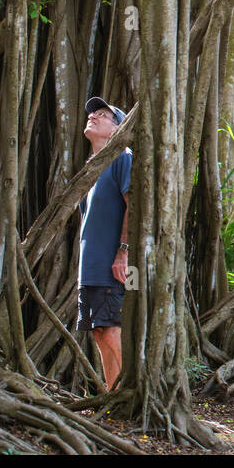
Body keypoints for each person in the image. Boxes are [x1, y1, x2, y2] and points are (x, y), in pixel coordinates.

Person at [77, 96, 131, 390]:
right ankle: (113, 397)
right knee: (99, 333)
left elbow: (133, 207)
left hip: (112, 267)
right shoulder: (91, 169)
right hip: (91, 268)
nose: (93, 117)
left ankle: (131, 395)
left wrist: (123, 253)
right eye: (92, 113)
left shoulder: (123, 157)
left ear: (118, 128)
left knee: (111, 331)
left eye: (103, 115)